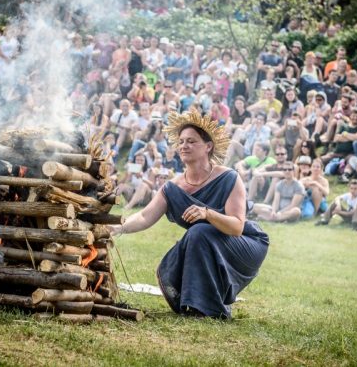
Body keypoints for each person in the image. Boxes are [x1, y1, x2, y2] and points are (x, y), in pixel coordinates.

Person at [108, 109, 269, 319]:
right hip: (205, 240)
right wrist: (117, 228)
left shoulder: (229, 177)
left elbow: (237, 227)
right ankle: (196, 305)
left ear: (208, 146)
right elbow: (145, 216)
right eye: (181, 141)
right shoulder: (173, 187)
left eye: (191, 141)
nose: (184, 146)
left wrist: (208, 214)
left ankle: (208, 307)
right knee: (199, 233)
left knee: (200, 230)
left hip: (246, 244)